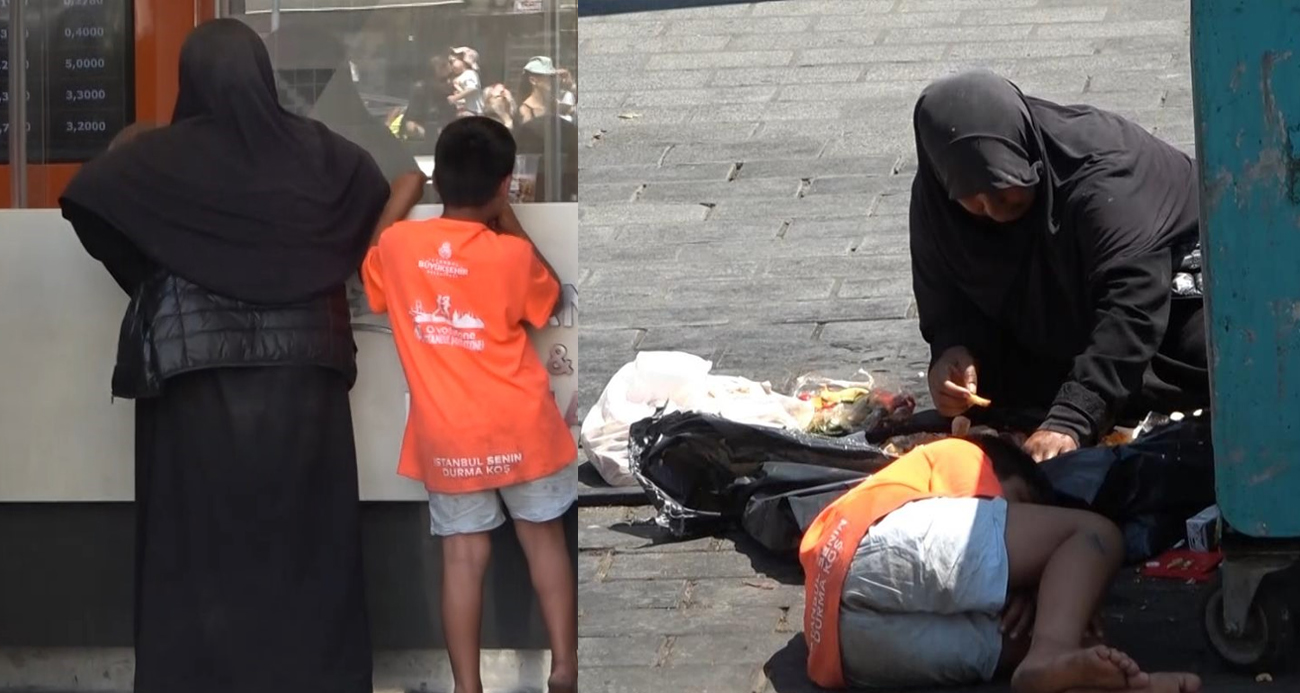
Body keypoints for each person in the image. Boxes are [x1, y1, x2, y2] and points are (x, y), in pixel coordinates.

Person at [58, 19, 391, 693]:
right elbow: (372, 186)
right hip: (306, 377)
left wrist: (150, 266)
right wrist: (318, 259)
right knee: (308, 542)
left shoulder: (159, 158)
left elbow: (87, 193)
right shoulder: (319, 153)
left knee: (195, 543)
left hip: (192, 378)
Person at [360, 116, 578, 693]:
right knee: (544, 541)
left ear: (438, 180)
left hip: (448, 435)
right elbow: (548, 298)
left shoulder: (403, 246)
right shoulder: (509, 255)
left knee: (463, 560)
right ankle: (564, 667)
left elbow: (373, 267)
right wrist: (508, 219)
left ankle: (467, 686)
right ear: (504, 185)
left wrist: (404, 191)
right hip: (522, 426)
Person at [909, 70, 1208, 462]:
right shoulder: (939, 201)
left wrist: (1073, 416)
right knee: (992, 394)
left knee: (1215, 360)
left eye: (1007, 193)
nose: (994, 212)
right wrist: (951, 352)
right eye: (975, 204)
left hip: (1171, 284)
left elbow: (1132, 304)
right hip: (1064, 305)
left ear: (1028, 155)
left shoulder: (1102, 173)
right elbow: (946, 300)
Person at [800, 434, 1202, 693]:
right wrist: (1031, 581)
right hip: (869, 544)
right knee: (1093, 534)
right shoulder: (966, 455)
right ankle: (1052, 652)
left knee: (1068, 647)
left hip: (843, 651)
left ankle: (1119, 684)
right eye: (1025, 509)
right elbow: (981, 519)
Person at [517, 56, 560, 126]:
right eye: (547, 76)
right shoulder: (525, 111)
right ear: (533, 80)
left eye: (552, 76)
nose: (551, 80)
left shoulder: (554, 105)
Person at [449, 46, 485, 116]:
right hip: (463, 109)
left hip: (473, 111)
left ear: (465, 61)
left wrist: (456, 97)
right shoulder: (461, 76)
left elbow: (472, 88)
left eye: (452, 61)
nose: (451, 66)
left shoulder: (470, 74)